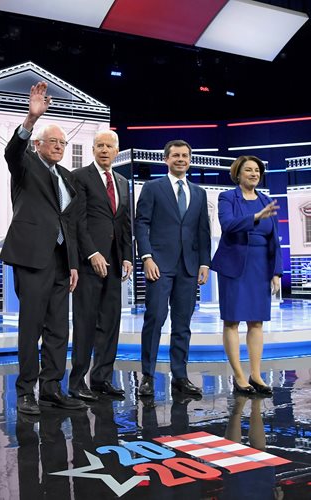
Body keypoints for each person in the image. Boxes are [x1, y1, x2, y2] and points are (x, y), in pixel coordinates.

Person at [1, 81, 85, 415]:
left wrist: (74, 262)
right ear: (39, 144)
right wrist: (31, 118)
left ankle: (52, 388)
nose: (60, 147)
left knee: (58, 329)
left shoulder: (66, 177)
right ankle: (25, 392)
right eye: (54, 141)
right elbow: (12, 152)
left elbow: (71, 223)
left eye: (63, 143)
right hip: (32, 257)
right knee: (31, 326)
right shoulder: (25, 165)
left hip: (62, 261)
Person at [134, 139, 211, 397]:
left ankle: (180, 376)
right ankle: (147, 376)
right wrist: (146, 257)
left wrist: (204, 262)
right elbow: (141, 224)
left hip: (189, 267)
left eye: (185, 156)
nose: (181, 159)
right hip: (159, 264)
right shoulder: (153, 187)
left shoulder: (199, 193)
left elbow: (203, 231)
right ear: (166, 159)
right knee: (155, 318)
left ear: (190, 160)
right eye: (176, 155)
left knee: (182, 323)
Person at [69, 130, 132, 402]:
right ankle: (77, 381)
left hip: (115, 263)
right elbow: (77, 221)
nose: (104, 150)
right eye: (99, 146)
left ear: (116, 151)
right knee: (85, 322)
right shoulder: (80, 177)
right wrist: (91, 252)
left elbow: (125, 223)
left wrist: (128, 255)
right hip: (89, 263)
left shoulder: (121, 180)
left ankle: (102, 378)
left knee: (110, 322)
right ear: (93, 149)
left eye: (109, 146)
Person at [210, 155, 282, 395]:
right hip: (235, 264)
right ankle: (239, 377)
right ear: (238, 174)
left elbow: (275, 240)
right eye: (248, 170)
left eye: (257, 171)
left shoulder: (266, 200)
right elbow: (228, 225)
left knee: (257, 322)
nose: (254, 174)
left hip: (260, 266)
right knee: (232, 320)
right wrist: (255, 217)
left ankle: (255, 374)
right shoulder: (227, 197)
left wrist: (276, 272)